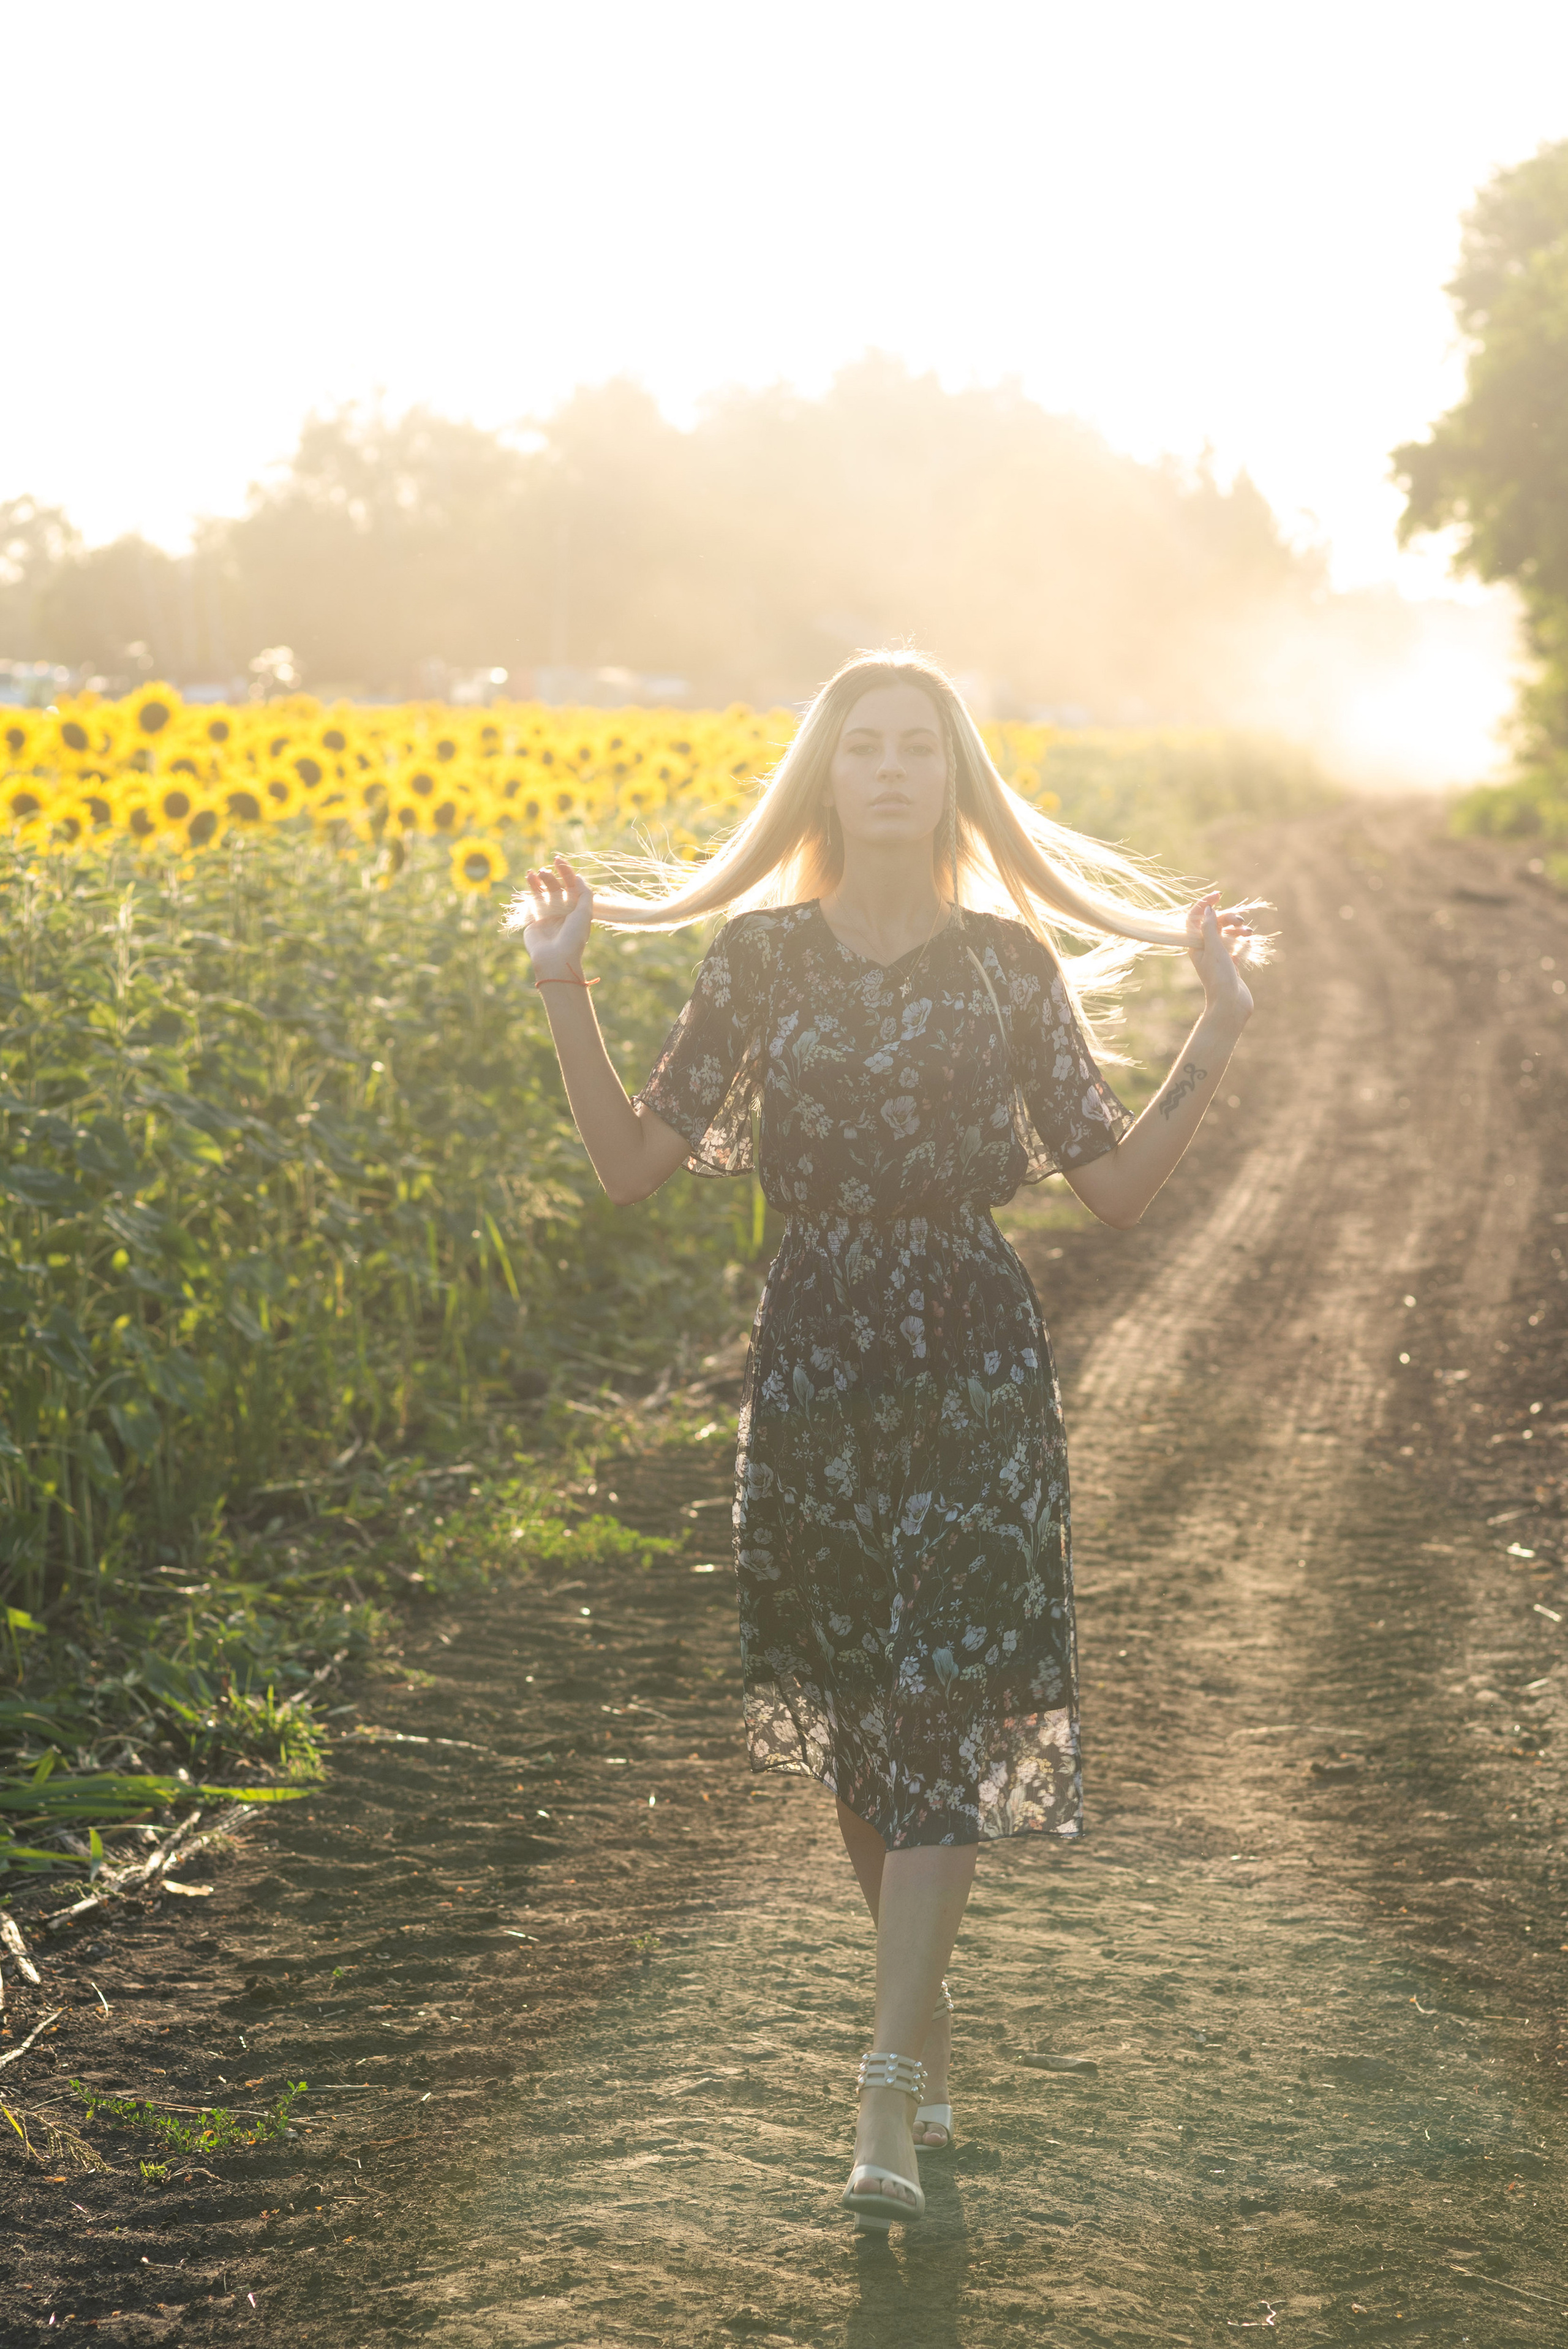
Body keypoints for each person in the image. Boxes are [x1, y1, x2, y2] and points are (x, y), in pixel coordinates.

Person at [512, 649, 1260, 2230]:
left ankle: (883, 2084)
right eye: (868, 748)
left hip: (975, 1349)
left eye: (923, 747)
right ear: (829, 778)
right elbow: (637, 1164)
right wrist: (566, 984)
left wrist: (1220, 1027)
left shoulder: (1006, 966)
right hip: (819, 1355)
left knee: (944, 1688)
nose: (897, 770)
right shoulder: (762, 960)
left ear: (956, 778)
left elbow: (1112, 1189)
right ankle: (918, 2030)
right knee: (867, 1707)